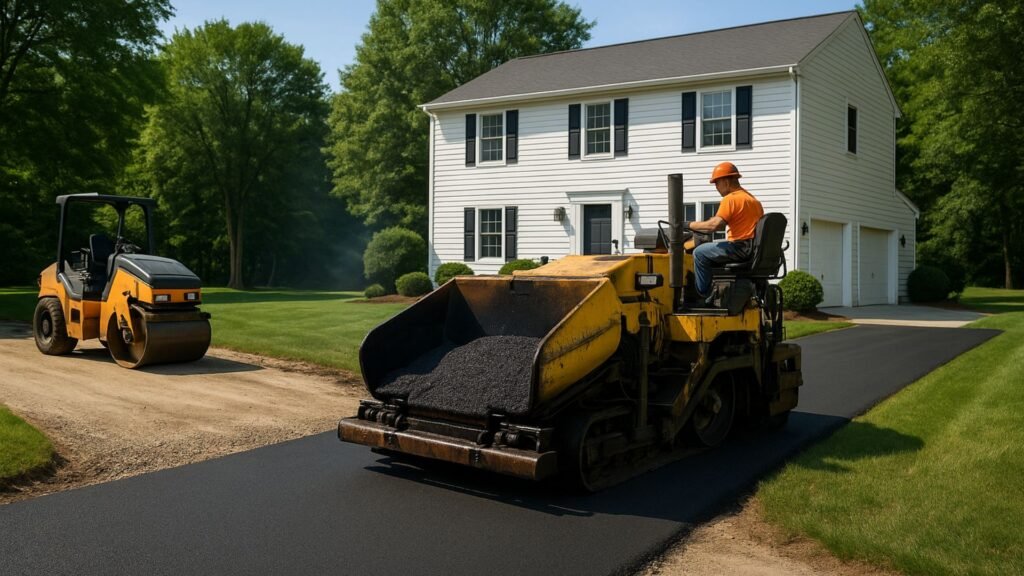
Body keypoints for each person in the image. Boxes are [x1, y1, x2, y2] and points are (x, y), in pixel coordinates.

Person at [685, 162, 764, 302]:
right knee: (712, 251)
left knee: (699, 253)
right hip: (751, 249)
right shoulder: (752, 200)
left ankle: (702, 296)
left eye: (717, 183)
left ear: (726, 181)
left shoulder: (730, 199)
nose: (716, 187)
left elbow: (714, 226)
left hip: (739, 248)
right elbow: (722, 223)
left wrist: (688, 224)